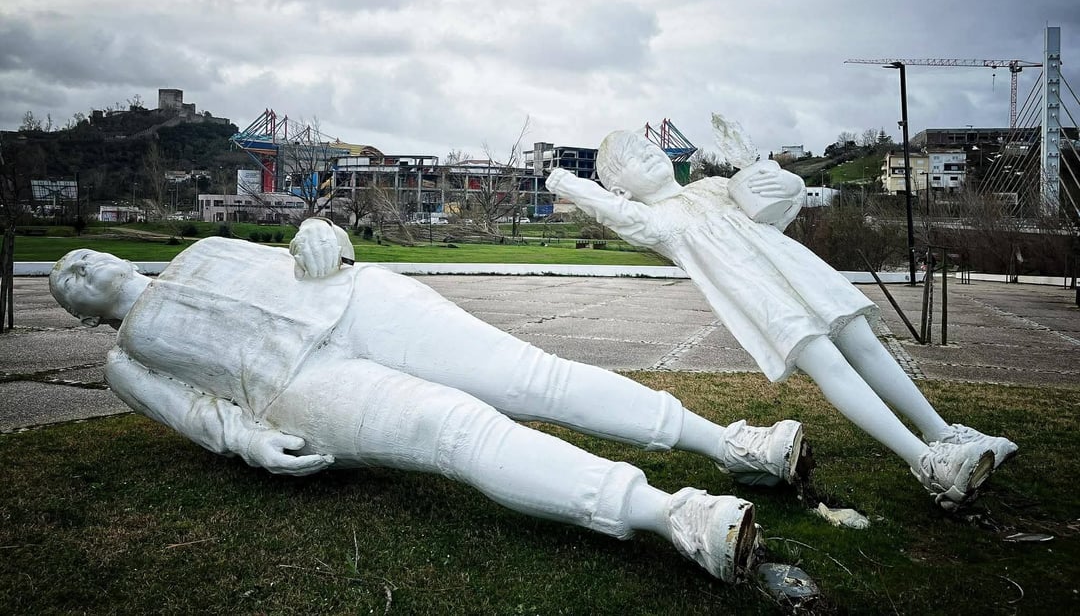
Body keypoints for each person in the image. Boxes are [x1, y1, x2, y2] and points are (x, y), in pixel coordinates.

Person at [49, 219, 811, 583]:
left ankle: (729, 443)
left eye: (80, 257)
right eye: (67, 280)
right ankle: (673, 513)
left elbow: (297, 247)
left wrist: (322, 237)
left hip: (351, 300)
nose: (78, 265)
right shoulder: (126, 363)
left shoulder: (203, 250)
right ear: (84, 316)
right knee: (457, 433)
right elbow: (196, 415)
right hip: (296, 389)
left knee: (531, 375)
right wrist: (248, 442)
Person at [547, 130, 1018, 511]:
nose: (649, 156)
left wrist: (779, 178)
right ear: (620, 187)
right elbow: (621, 216)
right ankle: (926, 463)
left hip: (799, 270)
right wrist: (574, 188)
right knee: (828, 364)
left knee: (866, 343)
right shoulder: (656, 220)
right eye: (632, 158)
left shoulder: (711, 187)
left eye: (649, 147)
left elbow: (773, 203)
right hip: (760, 294)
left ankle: (943, 433)